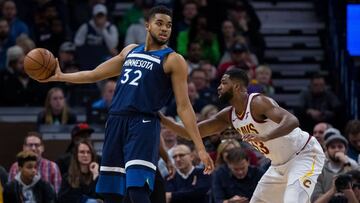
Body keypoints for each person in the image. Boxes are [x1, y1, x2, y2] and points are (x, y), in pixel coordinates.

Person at [39, 5, 214, 203]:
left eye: (169, 25)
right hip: (115, 121)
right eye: (159, 23)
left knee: (137, 189)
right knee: (111, 192)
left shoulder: (173, 60)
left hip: (143, 124)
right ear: (147, 25)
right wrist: (61, 76)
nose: (165, 28)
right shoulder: (130, 50)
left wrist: (199, 148)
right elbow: (94, 74)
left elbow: (184, 106)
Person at [160, 68, 326, 203]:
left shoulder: (258, 103)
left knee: (293, 200)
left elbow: (292, 121)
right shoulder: (228, 115)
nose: (219, 87)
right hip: (278, 165)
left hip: (304, 155)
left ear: (238, 87)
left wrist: (266, 136)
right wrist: (160, 117)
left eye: (224, 83)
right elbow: (191, 133)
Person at [311, 128, 358, 202]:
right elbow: (316, 200)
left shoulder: (354, 166)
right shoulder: (319, 169)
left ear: (346, 149)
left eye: (340, 146)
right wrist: (333, 190)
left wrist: (346, 163)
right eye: (333, 147)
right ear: (326, 150)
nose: (337, 150)